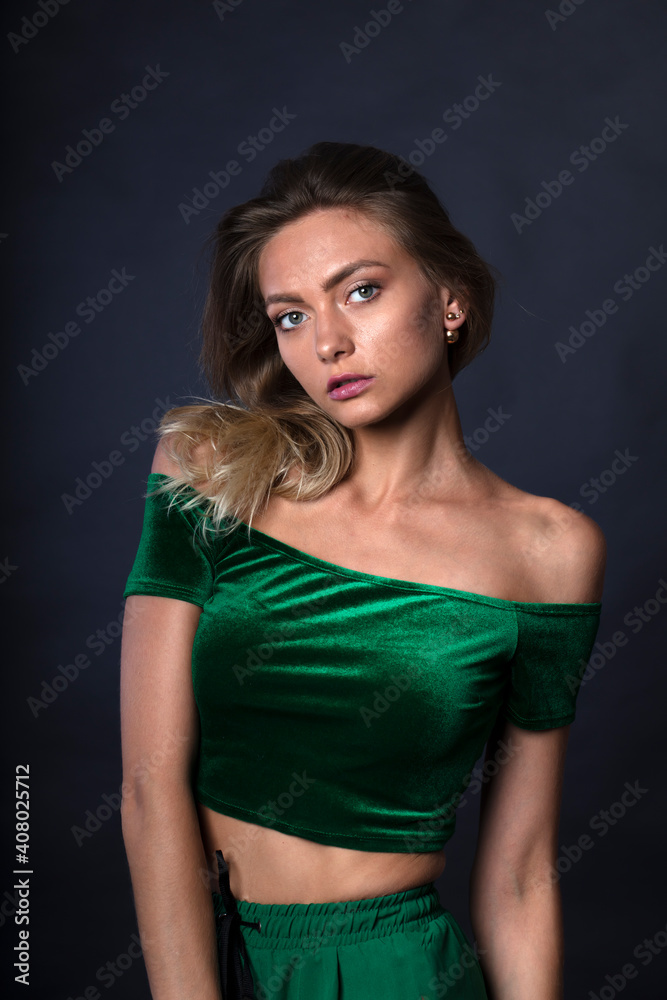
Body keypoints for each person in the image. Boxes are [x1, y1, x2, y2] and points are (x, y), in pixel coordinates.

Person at [119, 141, 606, 1000]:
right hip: (217, 960)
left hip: (397, 971)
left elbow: (521, 870)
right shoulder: (208, 471)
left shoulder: (548, 549)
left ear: (448, 300)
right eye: (291, 315)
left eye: (361, 290)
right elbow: (149, 785)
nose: (329, 342)